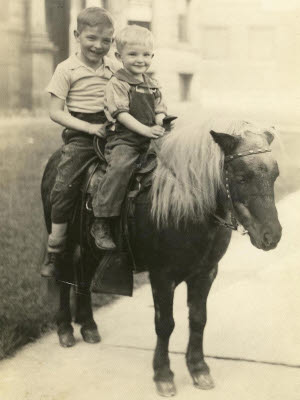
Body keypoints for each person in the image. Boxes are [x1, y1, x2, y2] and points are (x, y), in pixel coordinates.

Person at [41, 7, 119, 278]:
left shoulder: (115, 66)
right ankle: (56, 248)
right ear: (77, 35)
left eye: (106, 40)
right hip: (81, 133)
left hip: (114, 129)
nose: (99, 46)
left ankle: (129, 239)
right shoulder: (66, 69)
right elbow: (55, 111)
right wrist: (88, 127)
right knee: (63, 186)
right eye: (92, 38)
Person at [91, 25, 173, 249]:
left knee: (176, 164)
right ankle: (102, 220)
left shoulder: (152, 84)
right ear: (119, 56)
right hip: (125, 139)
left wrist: (159, 120)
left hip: (150, 138)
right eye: (133, 54)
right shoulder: (118, 83)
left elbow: (160, 108)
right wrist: (146, 130)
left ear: (152, 56)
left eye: (146, 55)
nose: (140, 60)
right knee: (119, 168)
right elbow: (122, 114)